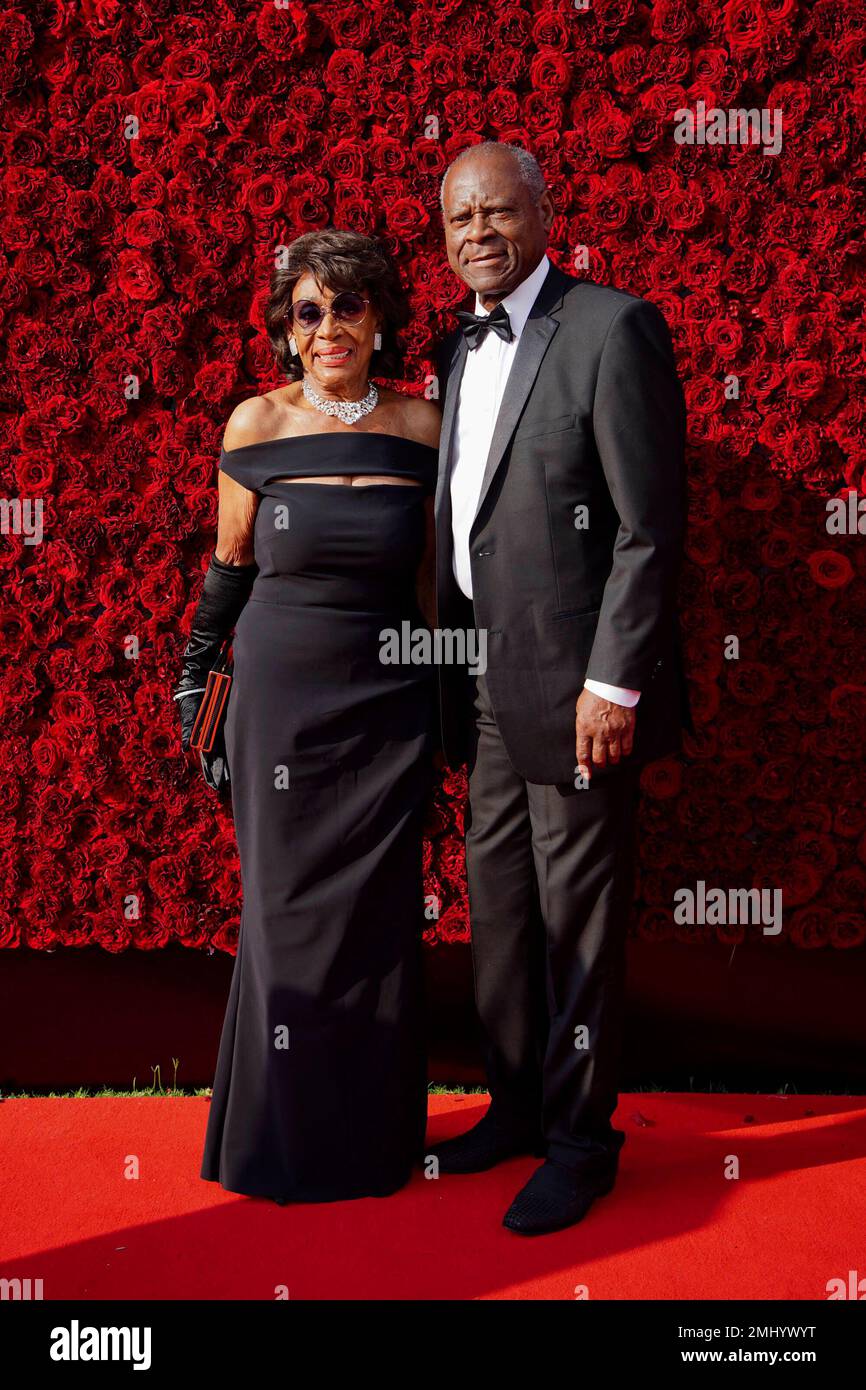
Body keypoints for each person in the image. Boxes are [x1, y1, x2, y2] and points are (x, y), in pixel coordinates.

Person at [429, 142, 690, 1235]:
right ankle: (518, 1104)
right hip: (479, 680)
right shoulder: (452, 348)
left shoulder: (609, 327)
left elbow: (647, 526)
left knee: (576, 922)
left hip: (575, 689)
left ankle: (584, 1142)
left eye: (495, 210)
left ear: (543, 211)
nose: (475, 232)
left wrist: (611, 685)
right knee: (500, 914)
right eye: (455, 220)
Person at [175, 228, 441, 1203]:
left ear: (379, 318)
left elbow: (431, 584)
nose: (330, 326)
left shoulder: (422, 427)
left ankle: (369, 1142)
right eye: (309, 311)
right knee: (285, 919)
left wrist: (451, 690)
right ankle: (276, 1141)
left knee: (375, 922)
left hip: (390, 701)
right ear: (288, 331)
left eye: (350, 305)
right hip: (282, 702)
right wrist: (196, 678)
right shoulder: (257, 423)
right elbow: (229, 564)